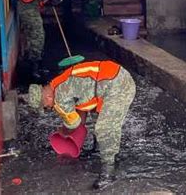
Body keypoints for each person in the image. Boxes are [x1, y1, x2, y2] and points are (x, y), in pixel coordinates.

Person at [27, 60, 136, 190]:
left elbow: (74, 123)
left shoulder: (59, 98)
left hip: (118, 86)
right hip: (113, 77)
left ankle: (108, 172)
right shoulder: (58, 83)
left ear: (47, 98)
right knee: (98, 117)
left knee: (105, 128)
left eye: (45, 107)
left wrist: (63, 132)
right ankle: (99, 148)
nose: (49, 108)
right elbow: (81, 112)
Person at [18, 0, 81, 79]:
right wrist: (52, 0)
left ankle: (39, 64)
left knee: (38, 33)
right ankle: (33, 70)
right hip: (27, 4)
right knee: (38, 35)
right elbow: (56, 1)